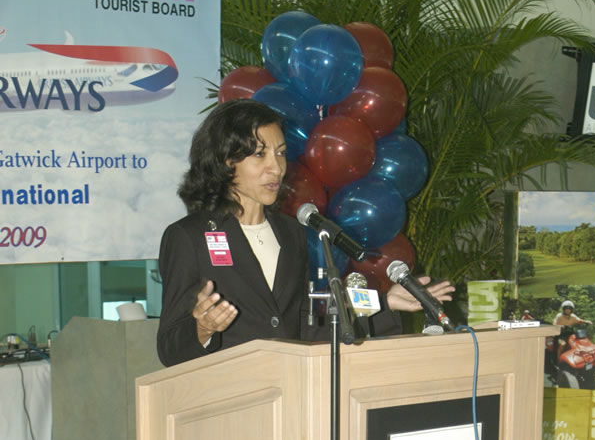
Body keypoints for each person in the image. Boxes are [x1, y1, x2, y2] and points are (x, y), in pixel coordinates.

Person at [157, 99, 454, 367]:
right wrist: (203, 328)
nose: (276, 168)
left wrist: (384, 302)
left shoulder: (291, 232)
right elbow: (168, 347)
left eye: (281, 153)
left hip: (292, 393)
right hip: (231, 401)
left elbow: (309, 325)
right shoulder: (189, 237)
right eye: (260, 155)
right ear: (225, 161)